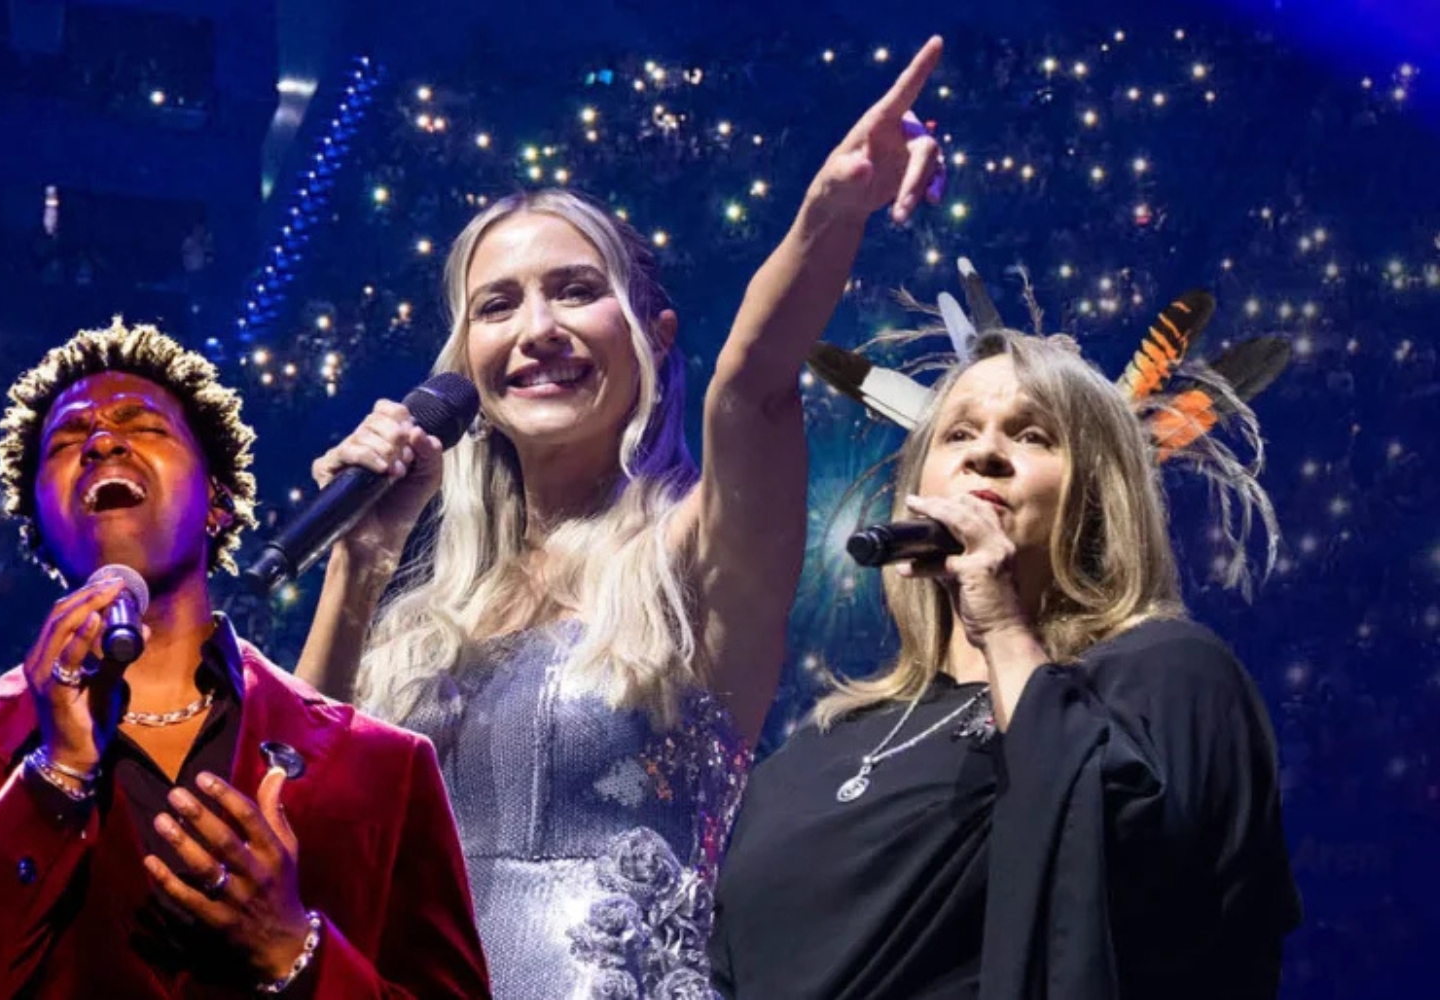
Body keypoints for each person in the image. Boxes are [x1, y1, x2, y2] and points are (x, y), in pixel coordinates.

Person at [295, 39, 949, 999]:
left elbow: (754, 389)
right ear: (465, 369)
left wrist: (833, 208)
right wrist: (359, 560)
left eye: (576, 290)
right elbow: (298, 817)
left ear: (653, 336)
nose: (538, 330)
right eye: (497, 306)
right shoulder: (418, 625)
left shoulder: (694, 556)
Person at [0, 320, 490, 998]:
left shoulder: (385, 766)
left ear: (217, 503)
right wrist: (50, 781)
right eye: (66, 441)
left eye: (144, 426)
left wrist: (293, 951)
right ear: (38, 525)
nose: (102, 441)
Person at [710, 310, 1302, 997]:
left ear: (1099, 499)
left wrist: (1000, 625)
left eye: (1032, 435)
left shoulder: (1169, 675)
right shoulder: (812, 753)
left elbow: (1138, 884)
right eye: (958, 433)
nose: (985, 453)